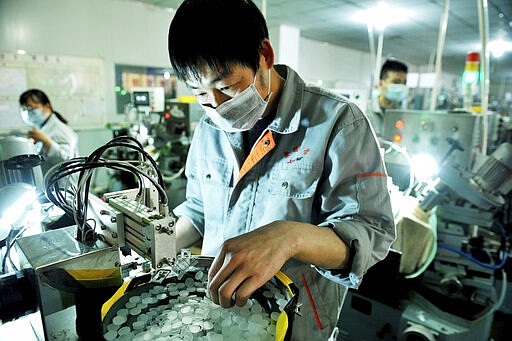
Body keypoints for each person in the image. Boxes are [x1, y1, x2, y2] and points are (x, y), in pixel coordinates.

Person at [168, 0, 396, 339]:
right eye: (200, 93)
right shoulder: (208, 129)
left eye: (227, 87)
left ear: (265, 55)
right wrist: (157, 239)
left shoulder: (338, 122)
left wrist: (290, 237)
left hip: (294, 318)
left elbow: (371, 233)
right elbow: (201, 210)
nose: (216, 106)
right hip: (216, 311)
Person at [19, 89, 79, 175]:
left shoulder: (59, 129)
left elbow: (67, 160)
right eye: (23, 109)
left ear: (47, 106)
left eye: (30, 108)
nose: (27, 112)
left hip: (64, 184)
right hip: (49, 183)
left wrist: (47, 142)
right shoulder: (41, 129)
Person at [366, 58, 408, 136]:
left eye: (404, 83)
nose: (401, 86)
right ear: (381, 83)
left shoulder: (401, 114)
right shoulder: (366, 111)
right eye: (396, 82)